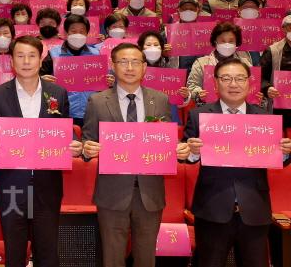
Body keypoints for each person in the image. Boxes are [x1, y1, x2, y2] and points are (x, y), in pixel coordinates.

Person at [82, 42, 189, 267]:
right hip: (112, 192)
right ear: (113, 66)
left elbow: (166, 140)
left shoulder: (159, 100)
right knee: (112, 257)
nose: (129, 67)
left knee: (146, 257)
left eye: (135, 62)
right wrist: (87, 148)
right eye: (123, 61)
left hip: (150, 192)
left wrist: (178, 149)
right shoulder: (98, 101)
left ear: (144, 68)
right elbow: (87, 140)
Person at [0, 36, 82, 267]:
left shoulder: (58, 93)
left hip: (48, 185)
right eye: (20, 56)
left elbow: (64, 132)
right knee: (14, 254)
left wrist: (74, 145)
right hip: (11, 184)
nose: (26, 61)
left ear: (41, 58)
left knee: (47, 254)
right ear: (12, 61)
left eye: (32, 55)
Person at [184, 57, 291, 267]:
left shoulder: (265, 118)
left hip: (255, 209)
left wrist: (285, 152)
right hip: (211, 209)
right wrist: (192, 151)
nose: (233, 84)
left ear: (249, 82)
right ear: (215, 82)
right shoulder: (199, 116)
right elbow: (185, 156)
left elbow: (280, 159)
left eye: (240, 78)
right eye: (226, 78)